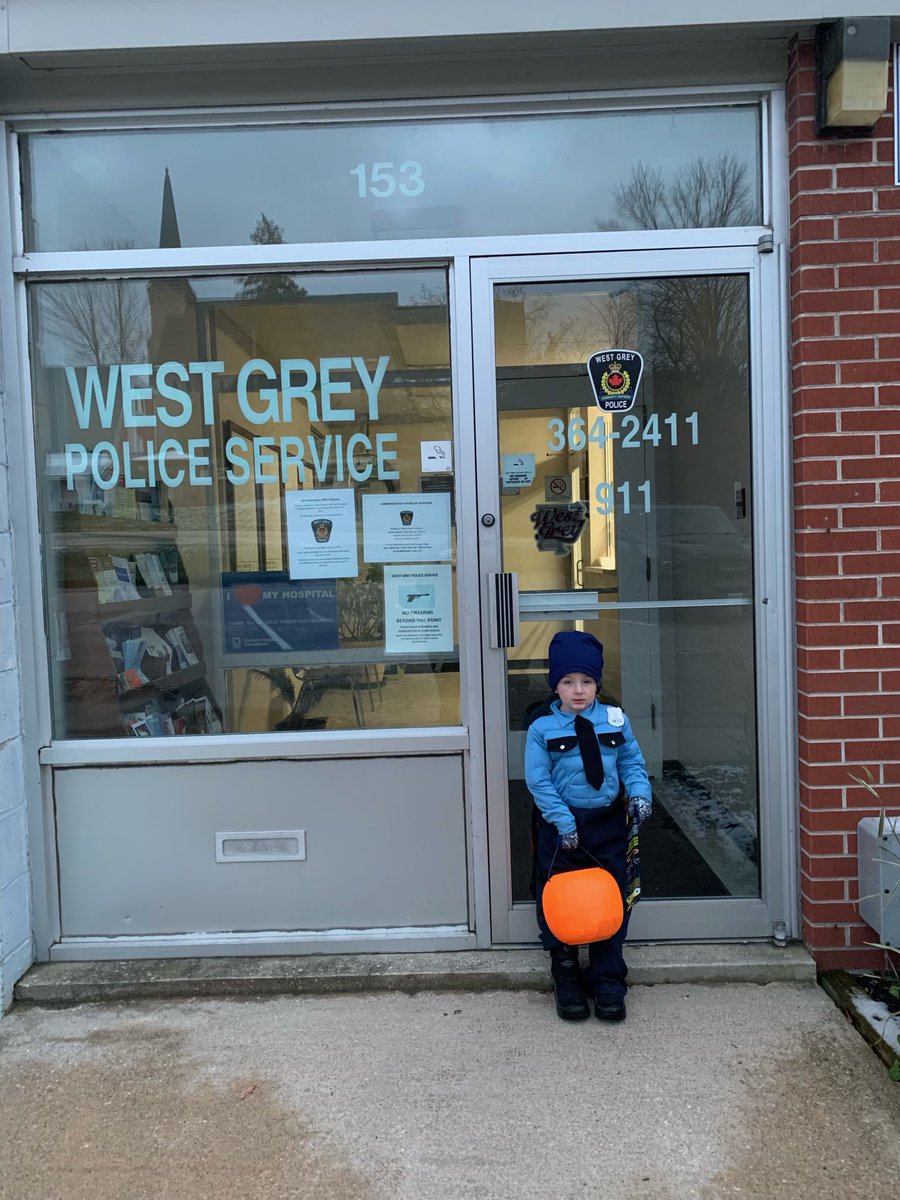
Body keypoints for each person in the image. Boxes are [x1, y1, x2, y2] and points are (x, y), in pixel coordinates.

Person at [524, 630, 652, 1023]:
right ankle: (566, 976)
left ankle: (608, 978)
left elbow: (631, 761)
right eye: (567, 682)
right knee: (561, 899)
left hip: (608, 823)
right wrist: (564, 823)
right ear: (555, 685)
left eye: (586, 681)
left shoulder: (615, 720)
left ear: (598, 682)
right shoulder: (542, 728)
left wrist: (639, 792)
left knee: (611, 899)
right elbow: (538, 781)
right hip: (561, 824)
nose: (577, 691)